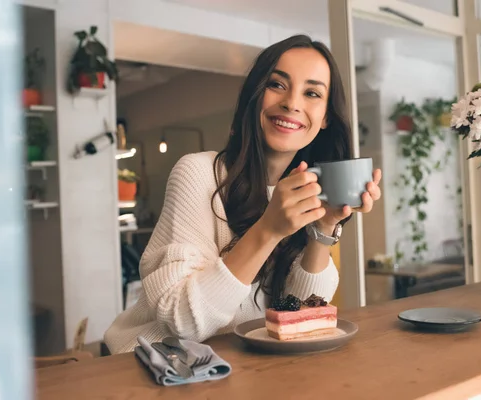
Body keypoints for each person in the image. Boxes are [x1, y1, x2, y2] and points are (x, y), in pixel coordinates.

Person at [104, 34, 382, 353]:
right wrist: (268, 229)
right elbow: (184, 323)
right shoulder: (198, 173)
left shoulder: (304, 191)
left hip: (241, 368)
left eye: (312, 93)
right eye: (277, 85)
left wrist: (323, 229)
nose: (292, 103)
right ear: (255, 95)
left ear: (325, 118)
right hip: (151, 367)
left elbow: (304, 311)